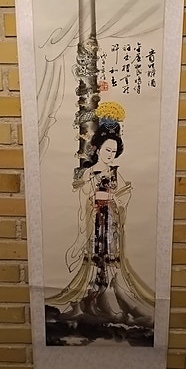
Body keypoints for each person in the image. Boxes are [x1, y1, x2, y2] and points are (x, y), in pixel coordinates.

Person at [45, 103, 154, 338]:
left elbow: (124, 196)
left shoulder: (115, 173)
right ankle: (94, 300)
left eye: (114, 151)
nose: (110, 155)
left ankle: (113, 298)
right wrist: (94, 197)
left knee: (111, 259)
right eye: (107, 150)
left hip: (111, 223)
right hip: (95, 222)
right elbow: (82, 197)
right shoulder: (88, 173)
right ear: (97, 149)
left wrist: (115, 198)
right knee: (95, 260)